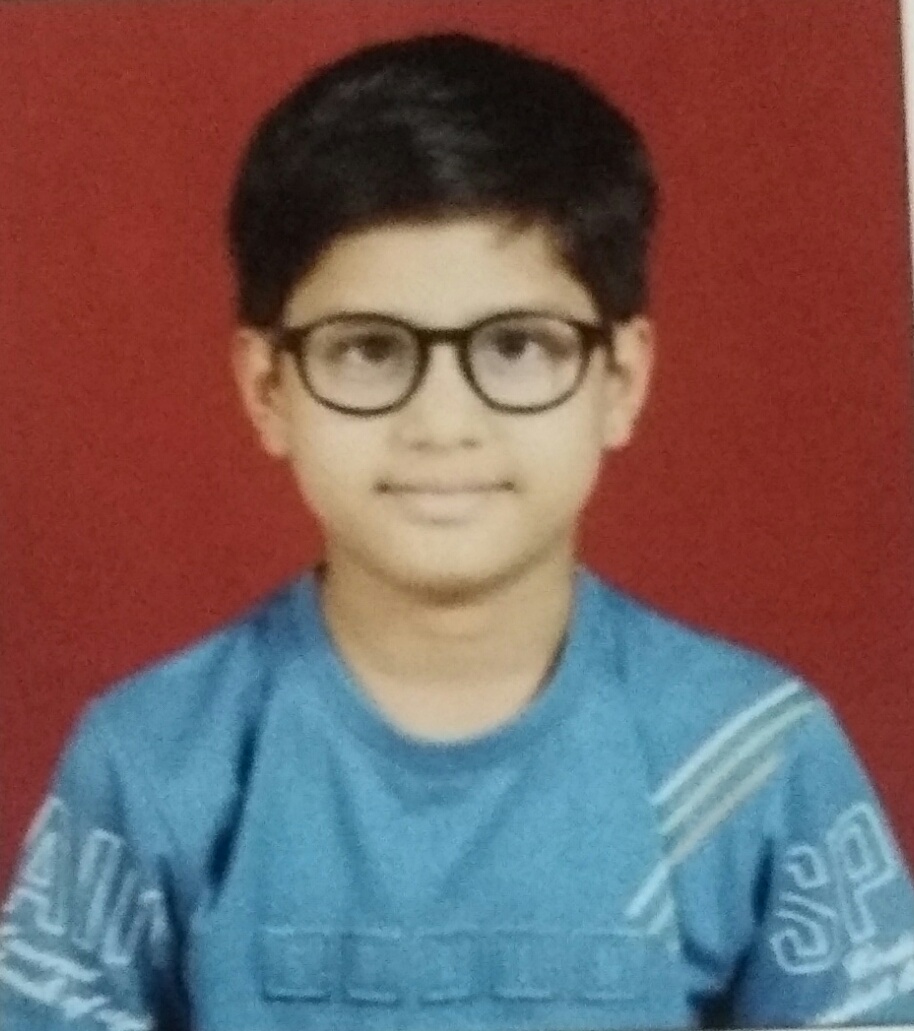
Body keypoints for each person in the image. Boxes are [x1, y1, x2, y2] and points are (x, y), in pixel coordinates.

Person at [2, 31, 913, 1031]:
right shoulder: (159, 761)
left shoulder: (747, 760)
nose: (442, 422)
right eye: (368, 350)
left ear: (620, 380)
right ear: (268, 388)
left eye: (516, 345)